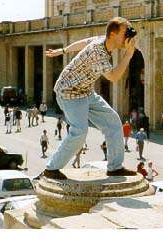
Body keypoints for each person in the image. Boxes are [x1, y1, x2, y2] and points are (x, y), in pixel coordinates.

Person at [42, 17, 136, 180]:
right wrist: (128, 55)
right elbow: (113, 77)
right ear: (113, 34)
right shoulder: (99, 53)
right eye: (125, 32)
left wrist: (63, 51)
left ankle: (115, 167)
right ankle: (51, 169)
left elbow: (85, 41)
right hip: (69, 93)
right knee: (80, 132)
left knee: (113, 121)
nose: (128, 36)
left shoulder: (102, 40)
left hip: (85, 91)